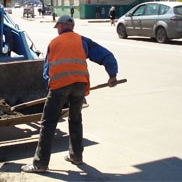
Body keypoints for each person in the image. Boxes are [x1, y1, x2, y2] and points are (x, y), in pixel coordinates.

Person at [21, 15, 118, 173]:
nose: (57, 29)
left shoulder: (54, 43)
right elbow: (106, 55)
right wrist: (112, 75)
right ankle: (76, 156)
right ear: (71, 26)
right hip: (80, 85)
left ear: (60, 26)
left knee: (48, 123)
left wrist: (50, 90)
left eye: (57, 26)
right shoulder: (82, 41)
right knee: (75, 120)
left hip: (59, 87)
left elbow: (47, 72)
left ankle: (40, 164)